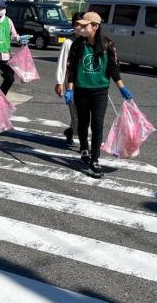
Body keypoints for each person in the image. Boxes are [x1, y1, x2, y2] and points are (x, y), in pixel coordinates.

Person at [64, 12, 133, 178]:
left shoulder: (107, 44)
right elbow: (71, 69)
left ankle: (95, 159)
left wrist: (122, 89)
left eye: (84, 25)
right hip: (81, 90)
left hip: (100, 91)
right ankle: (84, 148)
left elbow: (113, 69)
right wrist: (70, 89)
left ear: (95, 26)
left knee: (97, 124)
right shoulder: (77, 44)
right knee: (83, 122)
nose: (80, 28)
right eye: (80, 25)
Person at [55, 12, 85, 146]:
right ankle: (81, 142)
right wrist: (59, 82)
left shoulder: (89, 42)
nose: (80, 27)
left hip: (87, 84)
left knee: (85, 115)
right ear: (73, 26)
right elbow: (62, 64)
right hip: (71, 84)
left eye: (83, 24)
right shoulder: (68, 43)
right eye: (77, 24)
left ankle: (71, 132)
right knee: (76, 115)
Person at [0, 0, 26, 95]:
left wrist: (21, 39)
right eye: (0, 8)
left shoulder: (8, 20)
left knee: (10, 79)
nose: (2, 10)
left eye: (3, 8)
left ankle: (1, 97)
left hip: (5, 56)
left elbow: (14, 36)